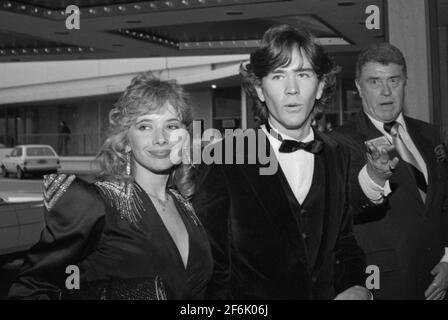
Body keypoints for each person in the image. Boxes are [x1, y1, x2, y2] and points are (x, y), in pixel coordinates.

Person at [193, 24, 371, 300]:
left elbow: (343, 242)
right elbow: (210, 267)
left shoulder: (337, 154)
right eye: (278, 76)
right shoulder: (223, 157)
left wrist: (357, 287)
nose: (292, 89)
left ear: (321, 85)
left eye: (303, 74)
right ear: (259, 89)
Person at [7, 72, 213, 300]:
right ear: (125, 140)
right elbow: (28, 291)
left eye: (172, 125)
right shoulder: (96, 204)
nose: (161, 138)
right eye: (145, 126)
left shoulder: (187, 205)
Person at [332, 43, 448, 299]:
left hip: (437, 277)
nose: (386, 91)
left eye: (394, 80)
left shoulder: (429, 133)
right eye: (374, 81)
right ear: (360, 88)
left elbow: (443, 203)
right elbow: (348, 200)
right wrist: (374, 177)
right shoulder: (340, 141)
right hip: (383, 284)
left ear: (405, 82)